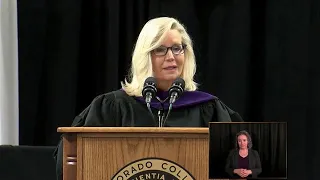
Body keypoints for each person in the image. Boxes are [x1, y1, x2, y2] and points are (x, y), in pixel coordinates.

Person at [53, 16, 243, 180]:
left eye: (177, 48)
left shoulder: (208, 109)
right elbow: (72, 155)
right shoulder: (113, 107)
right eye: (160, 49)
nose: (171, 56)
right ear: (145, 55)